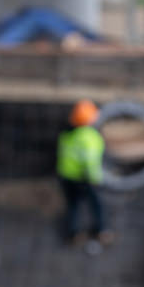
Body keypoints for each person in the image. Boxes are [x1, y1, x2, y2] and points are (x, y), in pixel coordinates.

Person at [56, 99, 112, 248]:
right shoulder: (90, 137)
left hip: (67, 176)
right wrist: (95, 178)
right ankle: (100, 230)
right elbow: (90, 161)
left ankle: (74, 233)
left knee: (73, 205)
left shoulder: (67, 133)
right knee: (96, 204)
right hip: (84, 177)